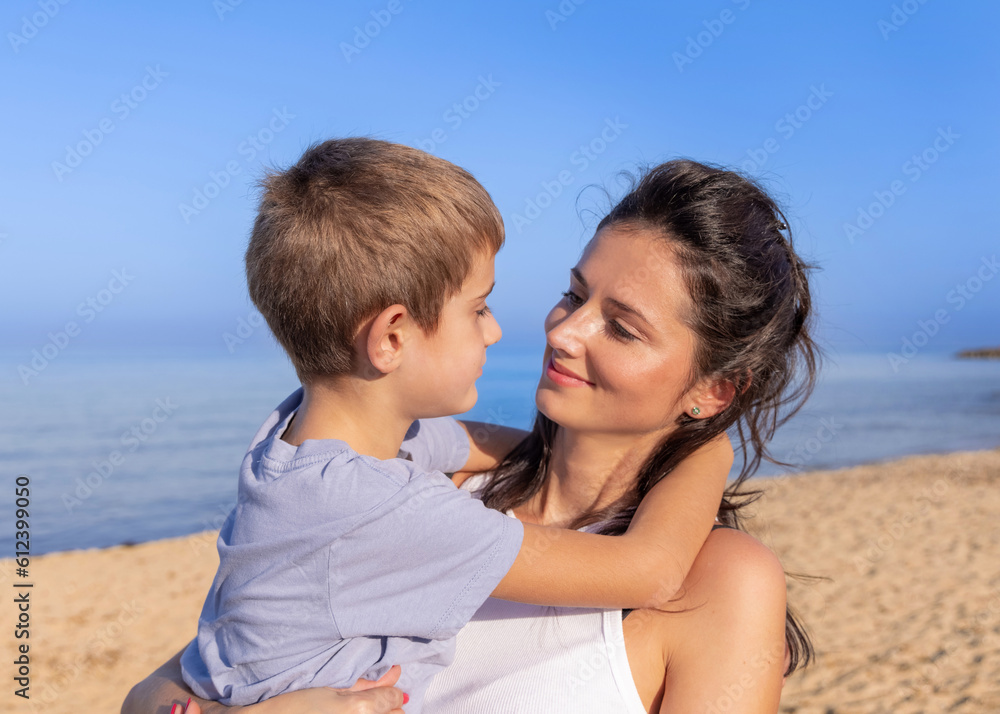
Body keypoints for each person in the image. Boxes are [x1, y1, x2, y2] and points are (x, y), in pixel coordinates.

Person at [138, 139, 736, 714]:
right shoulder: (392, 514)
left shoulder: (298, 442)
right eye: (479, 309)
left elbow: (472, 443)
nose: (505, 331)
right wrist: (707, 449)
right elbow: (648, 573)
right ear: (392, 337)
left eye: (623, 327)